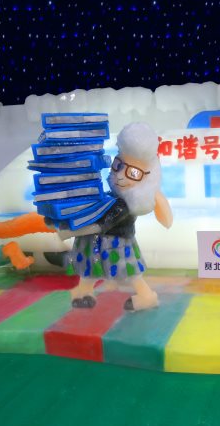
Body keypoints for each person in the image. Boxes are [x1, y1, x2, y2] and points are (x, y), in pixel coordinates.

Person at [61, 122, 173, 311]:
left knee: (127, 272)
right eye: (118, 165)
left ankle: (147, 296)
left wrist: (72, 230)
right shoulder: (111, 196)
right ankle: (84, 292)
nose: (120, 175)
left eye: (133, 172)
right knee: (89, 269)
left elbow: (105, 222)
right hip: (95, 241)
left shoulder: (125, 205)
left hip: (116, 243)